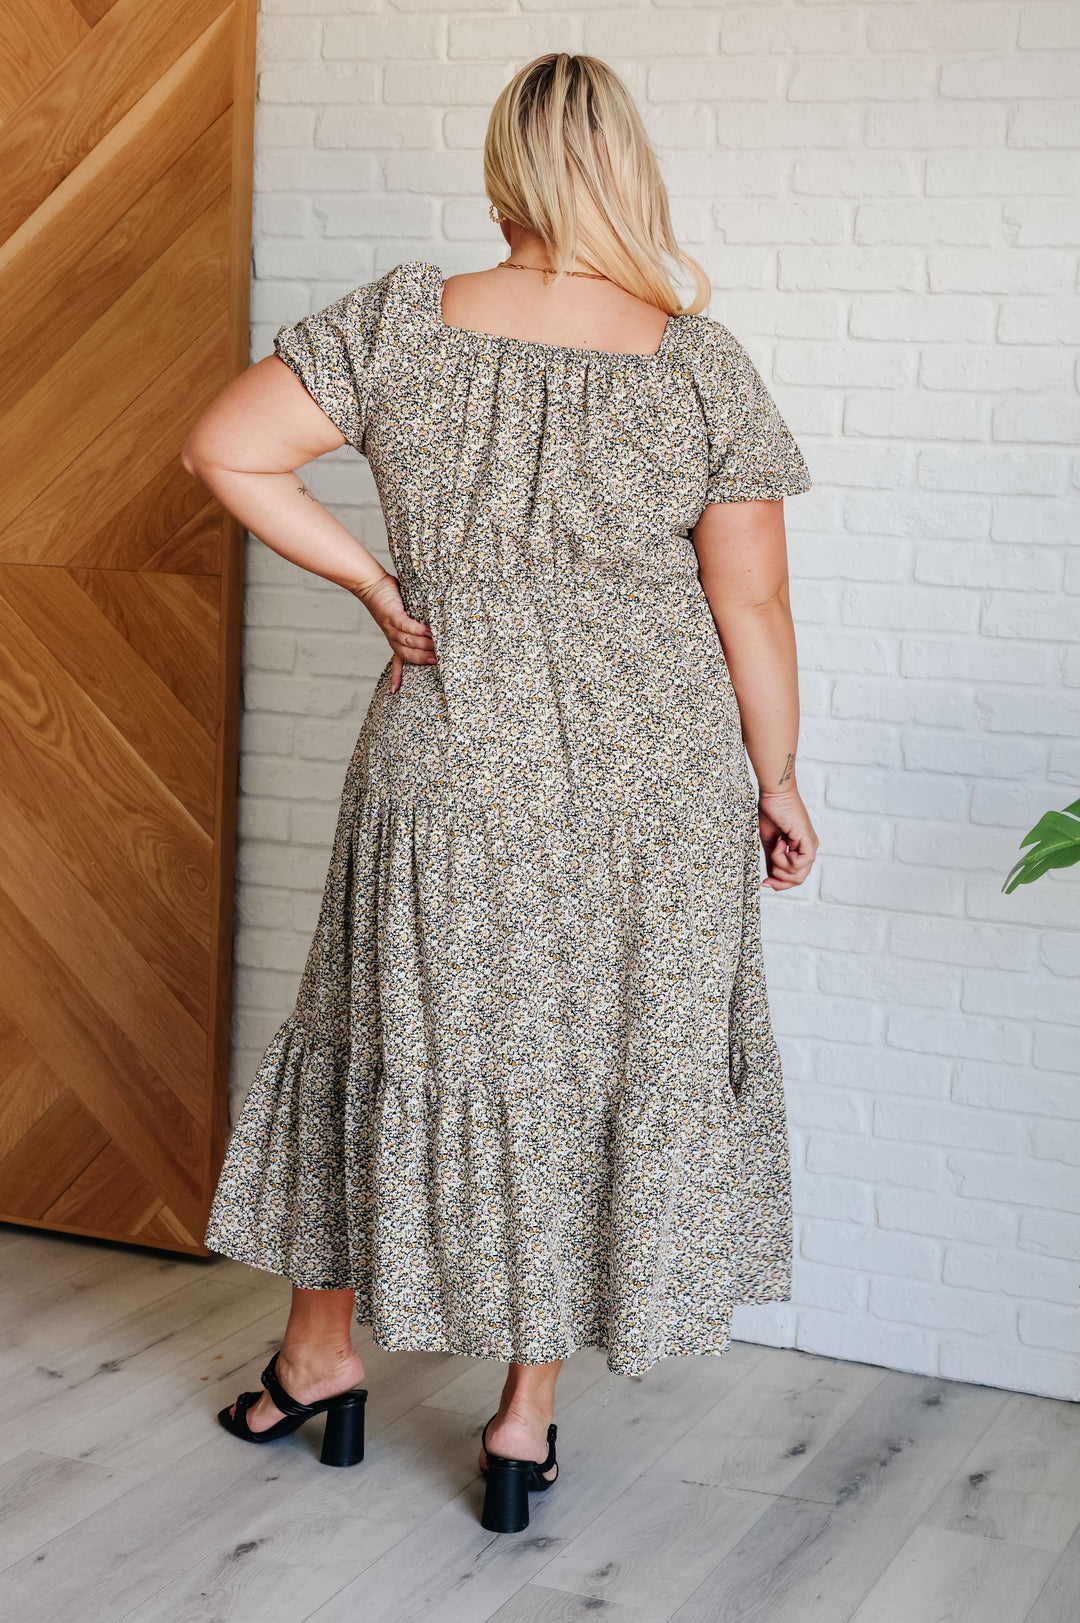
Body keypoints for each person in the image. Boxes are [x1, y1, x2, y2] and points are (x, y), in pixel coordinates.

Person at [182, 51, 818, 1534]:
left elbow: (225, 450)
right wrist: (778, 777)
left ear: (505, 167)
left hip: (455, 753)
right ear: (626, 170)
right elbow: (754, 602)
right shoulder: (699, 362)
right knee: (603, 1063)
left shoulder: (403, 322)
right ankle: (525, 1420)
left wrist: (376, 586)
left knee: (380, 1036)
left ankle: (318, 1357)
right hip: (657, 779)